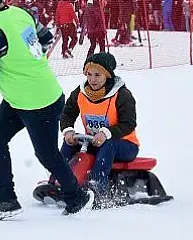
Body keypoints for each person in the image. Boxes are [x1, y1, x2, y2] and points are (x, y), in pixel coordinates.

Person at [0, 0, 94, 221]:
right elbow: (45, 40)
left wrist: (17, 67)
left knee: (46, 155)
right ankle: (6, 200)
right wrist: (29, 62)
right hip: (22, 98)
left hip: (39, 102)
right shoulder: (21, 13)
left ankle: (76, 196)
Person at [59, 52, 139, 200]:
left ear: (107, 75)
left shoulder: (122, 95)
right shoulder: (80, 93)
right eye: (88, 75)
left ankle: (96, 186)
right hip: (93, 142)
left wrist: (106, 133)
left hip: (125, 145)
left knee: (108, 145)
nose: (92, 79)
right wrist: (68, 130)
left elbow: (129, 123)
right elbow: (67, 113)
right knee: (69, 143)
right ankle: (58, 181)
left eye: (97, 75)